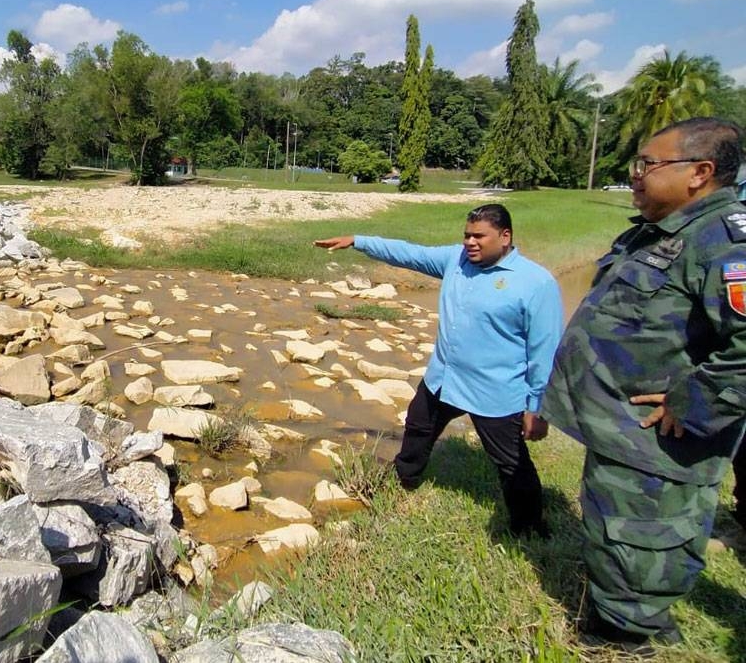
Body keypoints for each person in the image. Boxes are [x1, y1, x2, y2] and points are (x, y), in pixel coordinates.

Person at [541, 117, 746, 652]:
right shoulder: (658, 231)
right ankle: (630, 617)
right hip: (624, 432)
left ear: (699, 172)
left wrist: (696, 401)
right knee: (621, 537)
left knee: (642, 543)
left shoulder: (723, 242)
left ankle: (624, 640)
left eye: (648, 164)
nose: (635, 175)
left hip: (658, 439)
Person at [314, 204, 563, 537]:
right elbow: (409, 253)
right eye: (466, 235)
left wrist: (538, 407)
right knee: (417, 427)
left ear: (505, 237)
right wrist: (358, 240)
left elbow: (545, 350)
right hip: (444, 379)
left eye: (479, 236)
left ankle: (530, 528)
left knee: (511, 463)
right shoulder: (455, 260)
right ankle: (403, 481)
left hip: (495, 392)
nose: (470, 243)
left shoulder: (536, 283)